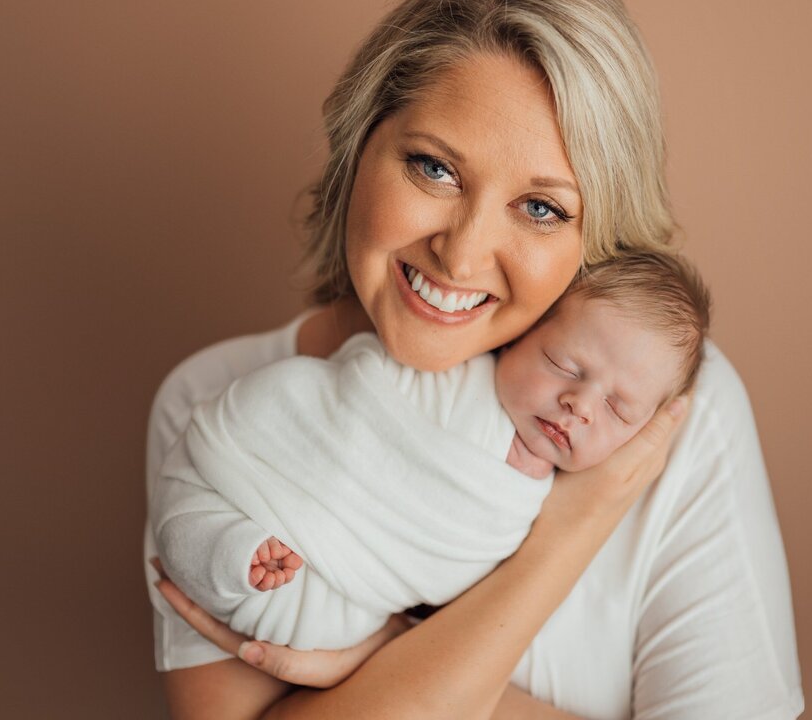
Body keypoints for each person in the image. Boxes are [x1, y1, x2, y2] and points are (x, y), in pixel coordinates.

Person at [145, 0, 804, 720]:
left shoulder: (660, 412)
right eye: (434, 168)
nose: (460, 255)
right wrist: (566, 536)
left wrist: (385, 659)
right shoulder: (210, 400)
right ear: (362, 145)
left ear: (593, 237)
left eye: (541, 209)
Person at [152, 252, 710, 652]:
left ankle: (240, 562)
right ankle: (226, 551)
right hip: (250, 465)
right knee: (190, 525)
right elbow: (359, 388)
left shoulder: (548, 504)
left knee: (325, 625)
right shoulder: (446, 370)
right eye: (566, 365)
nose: (581, 405)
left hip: (337, 591)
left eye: (619, 410)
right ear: (517, 336)